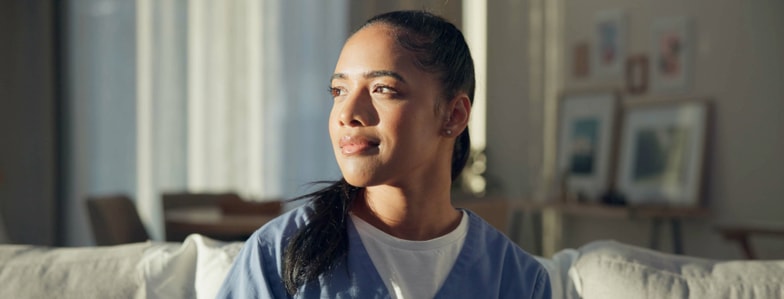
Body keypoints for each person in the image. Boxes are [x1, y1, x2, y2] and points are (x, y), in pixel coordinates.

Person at [217, 10, 551, 298]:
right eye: (339, 91)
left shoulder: (518, 280)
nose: (347, 113)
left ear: (454, 115)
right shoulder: (276, 254)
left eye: (383, 90)